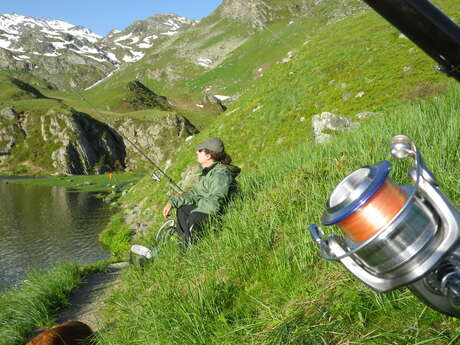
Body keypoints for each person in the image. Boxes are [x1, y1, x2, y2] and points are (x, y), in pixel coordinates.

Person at [162, 137, 241, 246]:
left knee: (194, 217)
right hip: (210, 211)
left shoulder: (220, 175)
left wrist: (198, 212)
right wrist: (172, 202)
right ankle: (184, 247)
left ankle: (193, 246)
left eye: (200, 150)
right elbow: (194, 193)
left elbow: (217, 199)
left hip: (221, 216)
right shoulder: (208, 174)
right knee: (183, 209)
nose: (197, 152)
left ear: (208, 156)